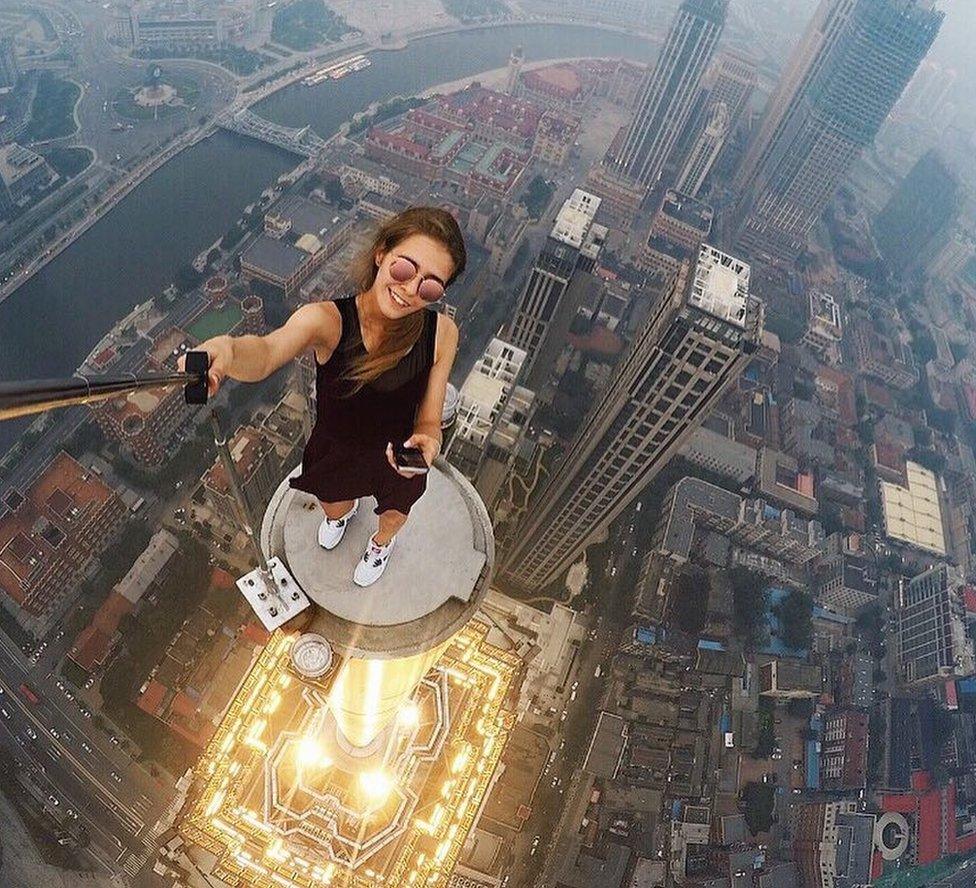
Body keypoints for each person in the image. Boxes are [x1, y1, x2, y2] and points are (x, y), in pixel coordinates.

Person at [183, 206, 464, 586]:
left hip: (399, 453)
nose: (410, 290)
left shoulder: (441, 333)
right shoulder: (328, 321)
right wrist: (230, 351)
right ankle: (340, 517)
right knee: (334, 504)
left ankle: (380, 545)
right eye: (404, 269)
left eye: (430, 286)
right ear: (381, 253)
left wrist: (429, 440)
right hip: (338, 446)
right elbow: (267, 352)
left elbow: (429, 418)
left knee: (396, 514)